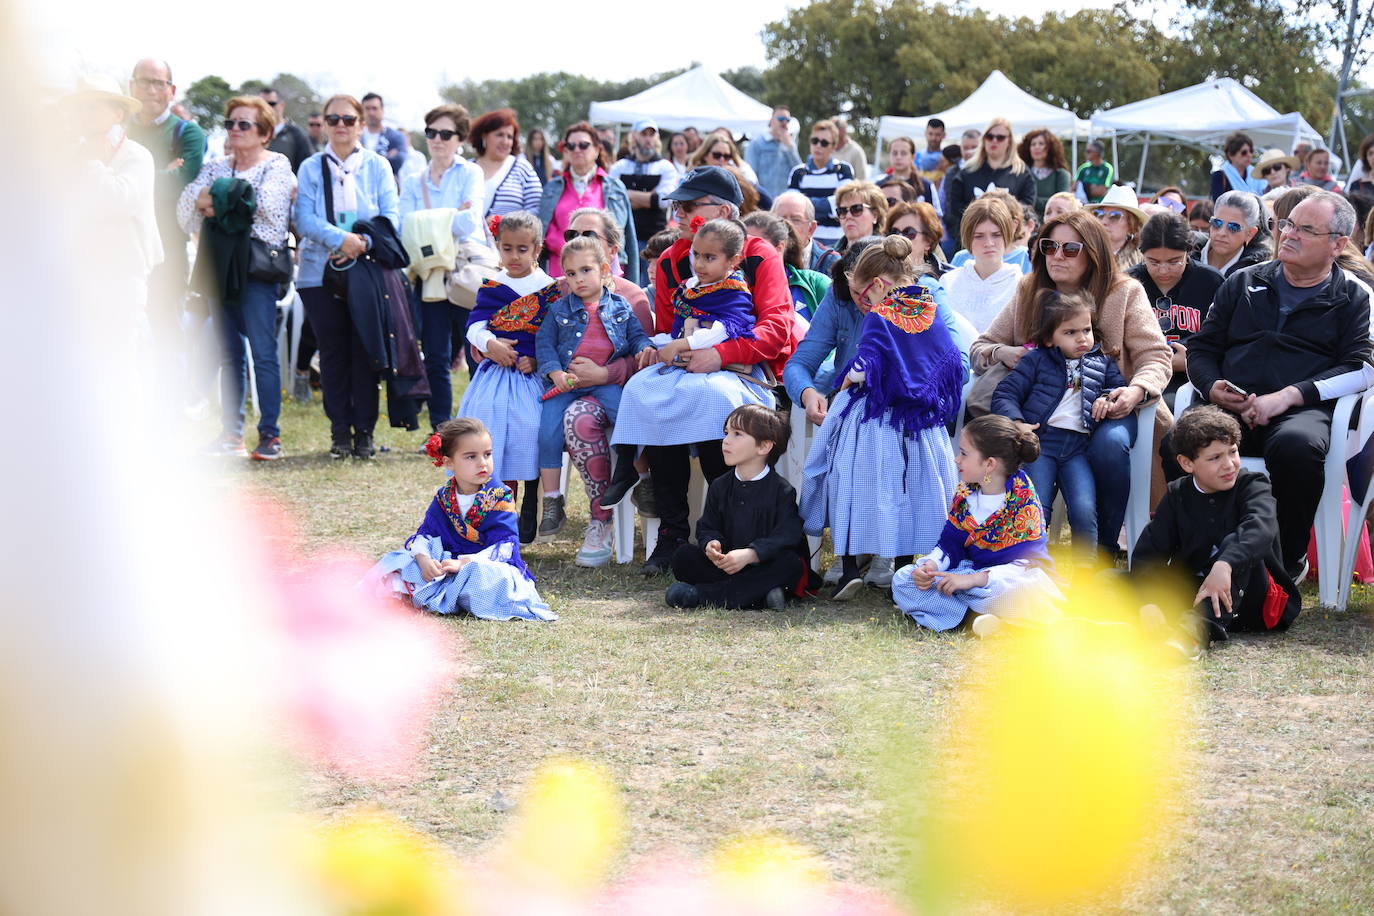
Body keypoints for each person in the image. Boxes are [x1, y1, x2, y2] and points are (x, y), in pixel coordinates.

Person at [603, 167, 794, 576]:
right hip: (688, 363)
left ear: (723, 210)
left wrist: (720, 354)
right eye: (676, 205)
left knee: (711, 401)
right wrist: (665, 351)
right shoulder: (674, 259)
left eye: (689, 206)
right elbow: (668, 327)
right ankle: (672, 532)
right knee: (655, 394)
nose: (678, 213)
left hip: (746, 369)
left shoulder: (759, 254)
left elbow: (775, 329)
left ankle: (729, 533)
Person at [1185, 190, 1371, 577]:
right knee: (1185, 437)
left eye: (1306, 229)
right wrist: (1211, 384)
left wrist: (1292, 395)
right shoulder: (1242, 281)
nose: (1289, 234)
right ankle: (1197, 552)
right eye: (1287, 224)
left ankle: (1287, 560)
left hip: (1303, 411)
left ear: (1338, 244)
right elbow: (1202, 348)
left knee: (1296, 448)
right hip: (1231, 405)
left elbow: (1363, 367)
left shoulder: (1354, 296)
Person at [971, 209, 1173, 554]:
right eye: (1049, 247)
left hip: (1111, 406)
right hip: (1044, 415)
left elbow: (1156, 356)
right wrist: (1004, 352)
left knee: (1108, 445)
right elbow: (980, 348)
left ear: (1092, 253)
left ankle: (1106, 548)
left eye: (1069, 249)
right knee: (1028, 444)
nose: (1056, 256)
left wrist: (1134, 390)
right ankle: (1016, 543)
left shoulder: (1124, 292)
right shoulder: (1029, 288)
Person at [800, 235, 961, 599]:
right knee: (914, 486)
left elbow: (863, 366)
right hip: (921, 418)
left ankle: (849, 569)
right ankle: (905, 567)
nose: (863, 301)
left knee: (851, 484)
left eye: (863, 293)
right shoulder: (927, 308)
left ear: (877, 284)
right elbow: (947, 358)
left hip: (875, 418)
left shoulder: (880, 316)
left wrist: (843, 383)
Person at [177, 95, 295, 461]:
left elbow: (267, 206)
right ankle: (231, 434)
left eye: (244, 124)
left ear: (264, 132)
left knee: (262, 353)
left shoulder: (277, 164)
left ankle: (270, 436)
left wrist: (213, 203)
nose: (235, 130)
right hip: (217, 268)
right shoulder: (215, 166)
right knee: (228, 353)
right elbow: (185, 208)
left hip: (257, 270)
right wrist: (226, 201)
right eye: (230, 123)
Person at [1132, 406, 1301, 655]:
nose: (1229, 464)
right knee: (1111, 580)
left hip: (1255, 602)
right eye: (1215, 458)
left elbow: (1260, 529)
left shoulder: (1252, 486)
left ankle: (1190, 636)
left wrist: (1225, 564)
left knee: (1234, 549)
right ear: (1187, 463)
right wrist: (1147, 600)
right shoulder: (1178, 494)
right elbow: (1150, 551)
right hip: (1197, 592)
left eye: (1232, 452)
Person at [533, 235, 656, 560]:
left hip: (605, 383)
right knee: (547, 428)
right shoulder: (559, 309)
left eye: (585, 271)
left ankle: (643, 479)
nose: (577, 279)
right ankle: (553, 499)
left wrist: (644, 347)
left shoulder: (621, 306)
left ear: (604, 270)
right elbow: (544, 344)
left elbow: (635, 336)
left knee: (630, 420)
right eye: (570, 273)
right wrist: (555, 372)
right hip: (568, 383)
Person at [294, 93, 400, 460]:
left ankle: (365, 432)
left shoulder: (377, 166)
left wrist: (365, 241)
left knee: (364, 351)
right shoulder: (310, 167)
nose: (341, 125)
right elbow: (304, 219)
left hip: (366, 272)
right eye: (334, 118)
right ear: (324, 123)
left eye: (348, 119)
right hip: (317, 272)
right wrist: (342, 239)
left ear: (360, 123)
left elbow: (392, 216)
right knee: (333, 353)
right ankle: (340, 431)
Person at [365, 418, 555, 621]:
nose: (482, 463)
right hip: (445, 564)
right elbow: (426, 534)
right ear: (449, 462)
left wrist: (464, 562)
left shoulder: (500, 495)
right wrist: (424, 560)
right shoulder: (444, 496)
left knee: (491, 577)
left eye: (487, 454)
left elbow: (505, 546)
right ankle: (439, 594)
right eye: (471, 456)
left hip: (480, 565)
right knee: (399, 559)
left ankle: (439, 595)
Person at [891, 415, 1060, 632]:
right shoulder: (965, 494)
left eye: (964, 453)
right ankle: (980, 618)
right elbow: (950, 545)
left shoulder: (1023, 499)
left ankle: (961, 615)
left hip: (1005, 581)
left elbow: (1030, 563)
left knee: (1025, 589)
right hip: (970, 574)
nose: (956, 459)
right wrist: (930, 566)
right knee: (903, 580)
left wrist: (974, 580)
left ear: (989, 464)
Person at [992, 291, 1127, 559]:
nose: (1082, 338)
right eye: (1070, 332)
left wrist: (1106, 399)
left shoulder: (1101, 362)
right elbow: (1005, 393)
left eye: (1087, 330)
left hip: (1079, 448)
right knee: (1037, 504)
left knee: (1084, 507)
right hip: (1041, 444)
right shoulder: (1036, 361)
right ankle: (1029, 567)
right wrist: (1018, 424)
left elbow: (1118, 389)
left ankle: (1086, 576)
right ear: (1047, 338)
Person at [457, 210, 559, 540]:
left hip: (534, 378)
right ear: (497, 247)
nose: (513, 257)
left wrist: (537, 359)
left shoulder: (549, 290)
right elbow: (474, 325)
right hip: (497, 374)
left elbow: (558, 335)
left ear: (537, 249)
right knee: (490, 427)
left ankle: (532, 499)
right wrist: (491, 344)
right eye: (507, 248)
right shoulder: (493, 287)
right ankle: (501, 508)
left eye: (522, 249)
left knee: (529, 425)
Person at [664, 404, 810, 610]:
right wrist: (712, 544)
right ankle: (759, 596)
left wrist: (751, 554)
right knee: (683, 556)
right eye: (726, 433)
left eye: (737, 434)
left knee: (791, 564)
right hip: (726, 565)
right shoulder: (720, 485)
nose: (726, 440)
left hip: (762, 564)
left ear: (764, 446)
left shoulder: (781, 490)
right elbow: (707, 525)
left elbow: (788, 535)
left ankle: (702, 596)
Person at [399, 103, 487, 433]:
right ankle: (441, 428)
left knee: (475, 348)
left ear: (460, 139)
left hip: (466, 269)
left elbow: (470, 222)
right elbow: (404, 227)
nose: (437, 139)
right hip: (430, 272)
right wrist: (452, 215)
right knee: (435, 352)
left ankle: (479, 424)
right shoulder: (412, 179)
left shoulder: (471, 172)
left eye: (445, 133)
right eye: (431, 132)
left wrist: (429, 222)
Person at [67, 74, 163, 321]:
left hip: (123, 277)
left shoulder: (137, 156)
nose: (85, 114)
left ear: (118, 114)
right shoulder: (72, 154)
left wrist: (93, 162)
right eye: (82, 107)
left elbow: (118, 202)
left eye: (94, 106)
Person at [127, 59, 204, 354]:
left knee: (165, 326)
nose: (150, 89)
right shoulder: (117, 129)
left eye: (158, 83)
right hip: (123, 243)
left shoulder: (187, 133)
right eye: (143, 81)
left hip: (167, 245)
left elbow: (182, 181)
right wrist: (162, 173)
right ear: (132, 86)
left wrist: (129, 178)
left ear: (171, 90)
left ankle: (173, 397)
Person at [1128, 212, 1224, 406]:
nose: (1163, 270)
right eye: (1153, 262)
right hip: (1138, 373)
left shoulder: (1211, 281)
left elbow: (1223, 335)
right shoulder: (1128, 282)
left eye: (1174, 261)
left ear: (1188, 251)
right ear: (1142, 253)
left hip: (1193, 376)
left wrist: (1192, 360)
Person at [539, 121, 637, 282]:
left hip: (604, 275)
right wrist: (569, 245)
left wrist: (632, 282)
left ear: (597, 150)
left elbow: (626, 237)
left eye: (583, 145)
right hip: (560, 274)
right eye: (570, 146)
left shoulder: (615, 187)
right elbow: (543, 231)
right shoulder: (552, 187)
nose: (577, 150)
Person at [943, 117, 1035, 246]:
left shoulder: (1021, 173)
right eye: (990, 136)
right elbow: (954, 206)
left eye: (1000, 137)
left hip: (1009, 243)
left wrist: (1003, 211)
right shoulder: (967, 172)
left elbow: (1027, 206)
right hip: (971, 241)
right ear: (984, 139)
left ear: (1009, 141)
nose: (994, 141)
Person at [609, 118, 678, 284]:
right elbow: (611, 198)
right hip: (624, 239)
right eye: (643, 134)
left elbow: (662, 200)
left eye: (651, 134)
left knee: (652, 286)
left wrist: (626, 195)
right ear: (634, 136)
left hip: (654, 239)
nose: (648, 139)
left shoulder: (665, 166)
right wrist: (648, 198)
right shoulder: (620, 166)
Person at [940, 196, 1022, 332]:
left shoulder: (1020, 285)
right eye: (979, 236)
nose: (989, 243)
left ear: (1007, 234)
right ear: (968, 238)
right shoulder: (948, 282)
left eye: (996, 235)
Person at [742, 211, 830, 322]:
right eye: (743, 246)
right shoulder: (733, 287)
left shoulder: (817, 283)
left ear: (779, 247)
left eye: (756, 245)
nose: (747, 252)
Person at [787, 119, 855, 248]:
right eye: (815, 141)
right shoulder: (798, 172)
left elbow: (842, 205)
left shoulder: (843, 170)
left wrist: (806, 206)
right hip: (804, 242)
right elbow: (792, 208)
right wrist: (827, 205)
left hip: (837, 242)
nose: (818, 145)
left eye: (824, 143)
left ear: (834, 146)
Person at [472, 109, 542, 217]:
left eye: (509, 137)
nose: (505, 142)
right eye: (499, 135)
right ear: (484, 136)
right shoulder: (466, 168)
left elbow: (537, 208)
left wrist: (506, 223)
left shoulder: (522, 168)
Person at [1197, 190, 1270, 276]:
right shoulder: (1187, 253)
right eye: (1217, 223)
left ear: (1250, 233)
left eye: (1233, 227)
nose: (1221, 233)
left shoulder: (1256, 275)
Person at [690, 133, 770, 211]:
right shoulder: (692, 178)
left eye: (727, 156)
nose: (722, 159)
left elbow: (767, 202)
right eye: (717, 155)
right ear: (705, 155)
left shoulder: (737, 179)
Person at [773, 190, 840, 274]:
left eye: (796, 220)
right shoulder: (762, 257)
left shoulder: (830, 262)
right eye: (781, 220)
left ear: (811, 228)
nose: (787, 225)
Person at [746, 106, 802, 199]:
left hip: (785, 201)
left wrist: (790, 148)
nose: (784, 123)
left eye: (787, 120)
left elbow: (799, 172)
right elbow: (750, 175)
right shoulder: (757, 143)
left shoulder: (790, 145)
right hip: (763, 200)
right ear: (771, 121)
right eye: (781, 119)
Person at [1018, 128, 1071, 217]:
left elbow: (1062, 203)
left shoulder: (1061, 175)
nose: (1036, 147)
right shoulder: (1021, 173)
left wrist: (1030, 201)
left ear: (1050, 148)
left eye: (1041, 144)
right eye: (1033, 144)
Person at [257, 87, 312, 173]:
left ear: (282, 106)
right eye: (261, 105)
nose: (266, 108)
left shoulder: (296, 134)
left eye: (271, 104)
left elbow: (307, 170)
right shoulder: (250, 132)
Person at [884, 201, 945, 279]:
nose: (899, 238)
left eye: (909, 232)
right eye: (894, 232)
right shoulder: (879, 278)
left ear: (928, 241)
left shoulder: (947, 280)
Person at [1092, 185, 1147, 271]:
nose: (1103, 221)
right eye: (1099, 214)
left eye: (1115, 216)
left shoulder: (1142, 263)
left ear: (1131, 226)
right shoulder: (1084, 251)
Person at [357, 93, 408, 179]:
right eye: (367, 109)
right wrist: (385, 158)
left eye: (374, 108)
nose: (371, 113)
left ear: (382, 110)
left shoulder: (396, 137)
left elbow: (398, 162)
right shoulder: (356, 136)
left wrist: (361, 162)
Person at [832, 180, 888, 254]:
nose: (848, 216)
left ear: (875, 215)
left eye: (856, 209)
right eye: (842, 211)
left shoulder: (887, 252)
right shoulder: (827, 256)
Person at [876, 136, 936, 205]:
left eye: (904, 153)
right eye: (894, 153)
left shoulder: (926, 186)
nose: (898, 157)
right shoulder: (879, 186)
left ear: (913, 157)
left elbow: (935, 214)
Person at [1209, 131, 1264, 199]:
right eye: (1244, 152)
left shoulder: (1258, 175)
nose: (1249, 155)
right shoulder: (1219, 177)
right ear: (1231, 155)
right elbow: (1218, 205)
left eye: (1251, 151)